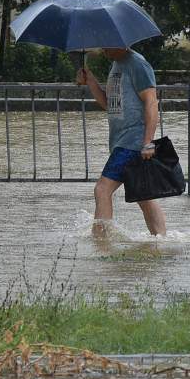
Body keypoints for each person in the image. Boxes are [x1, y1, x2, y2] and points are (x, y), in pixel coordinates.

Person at [76, 47, 167, 238]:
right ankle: (160, 241)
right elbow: (110, 105)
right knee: (144, 197)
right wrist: (91, 80)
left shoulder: (138, 64)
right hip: (121, 141)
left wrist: (148, 142)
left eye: (106, 43)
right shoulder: (117, 64)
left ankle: (102, 243)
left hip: (132, 141)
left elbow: (151, 102)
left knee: (102, 189)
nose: (102, 48)